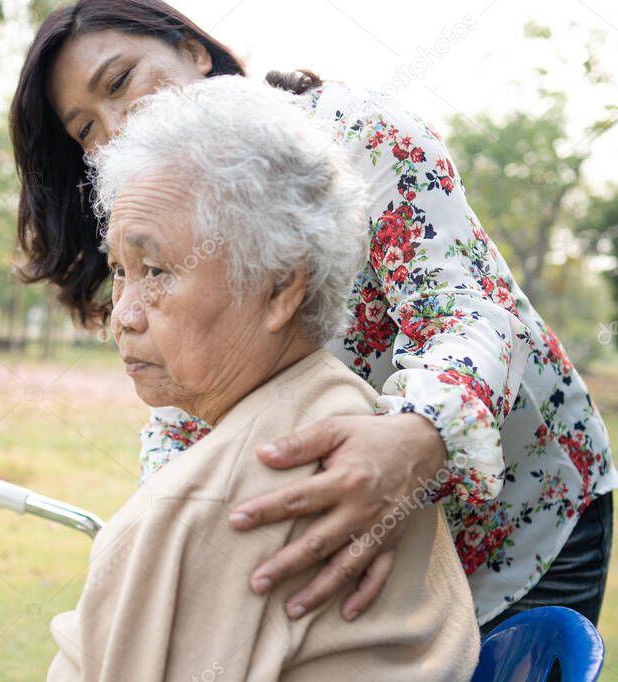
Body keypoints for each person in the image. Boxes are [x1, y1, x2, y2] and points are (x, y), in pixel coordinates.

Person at [10, 0, 616, 634]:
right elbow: (187, 409)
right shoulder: (160, 223)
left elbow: (470, 316)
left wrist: (420, 435)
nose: (116, 124)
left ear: (193, 49)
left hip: (528, 525)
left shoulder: (357, 135)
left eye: (121, 80)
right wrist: (158, 533)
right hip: (374, 565)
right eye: (84, 130)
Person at [46, 75, 479, 681]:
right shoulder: (347, 410)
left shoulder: (244, 491)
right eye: (120, 270)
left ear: (280, 286)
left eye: (158, 269)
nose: (122, 315)